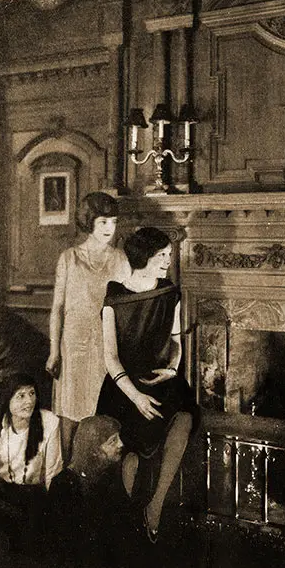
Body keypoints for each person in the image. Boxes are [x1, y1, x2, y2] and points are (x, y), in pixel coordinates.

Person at [97, 227, 199, 543]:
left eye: (169, 255)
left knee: (184, 419)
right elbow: (111, 360)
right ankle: (123, 526)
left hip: (162, 380)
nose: (168, 262)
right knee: (128, 451)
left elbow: (176, 343)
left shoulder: (170, 293)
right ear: (144, 257)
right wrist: (137, 397)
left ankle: (154, 509)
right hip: (124, 387)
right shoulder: (113, 297)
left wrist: (172, 368)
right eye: (162, 256)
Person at [46, 191, 130, 462]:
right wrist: (54, 351)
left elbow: (127, 308)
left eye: (114, 222)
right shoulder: (69, 258)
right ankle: (66, 479)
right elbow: (57, 308)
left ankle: (100, 482)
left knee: (103, 413)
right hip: (73, 346)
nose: (110, 228)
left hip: (106, 346)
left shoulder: (121, 259)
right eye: (103, 222)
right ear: (89, 222)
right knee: (69, 414)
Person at [0, 373, 62, 563]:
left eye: (31, 393)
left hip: (33, 498)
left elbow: (54, 471)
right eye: (20, 396)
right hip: (2, 494)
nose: (28, 401)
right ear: (7, 399)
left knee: (28, 553)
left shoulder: (49, 422)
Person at [48, 415, 139, 568]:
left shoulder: (110, 476)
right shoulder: (64, 484)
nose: (121, 444)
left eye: (118, 438)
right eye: (113, 441)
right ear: (94, 451)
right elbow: (64, 546)